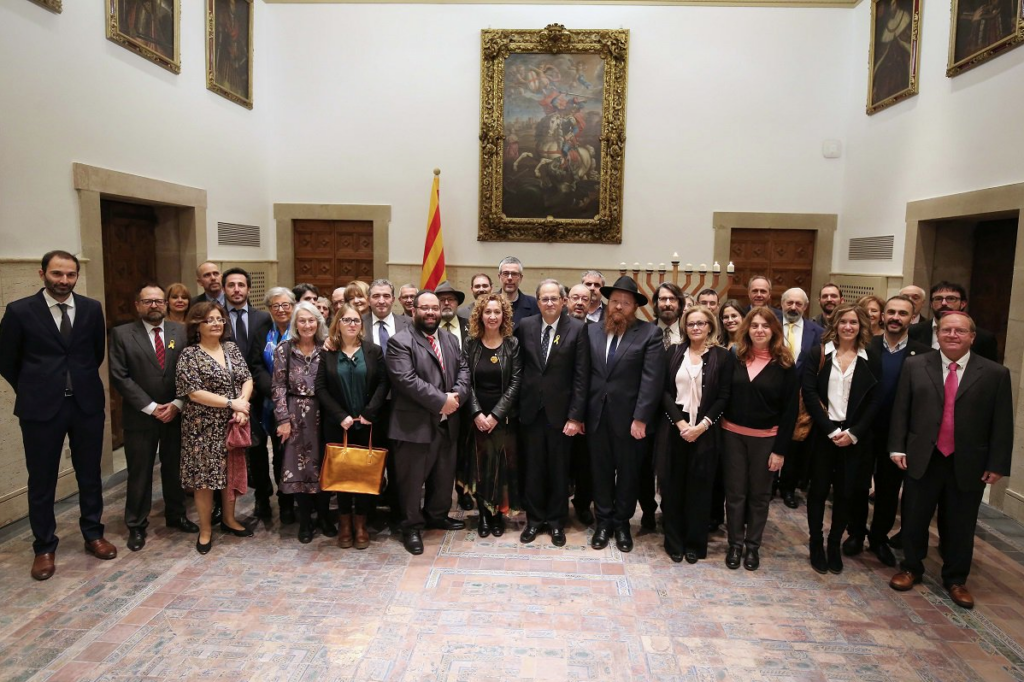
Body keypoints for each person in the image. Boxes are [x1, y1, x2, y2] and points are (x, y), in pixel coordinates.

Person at [0, 250, 116, 580]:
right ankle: (44, 547)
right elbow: (6, 359)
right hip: (40, 408)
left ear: (77, 276)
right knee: (42, 479)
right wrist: (34, 386)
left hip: (85, 405)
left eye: (69, 275)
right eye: (56, 274)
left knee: (90, 474)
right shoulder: (20, 311)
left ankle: (93, 534)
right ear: (42, 274)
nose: (63, 281)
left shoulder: (92, 309)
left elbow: (95, 353)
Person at [888, 312, 1013, 609]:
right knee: (915, 516)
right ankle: (910, 568)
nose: (952, 335)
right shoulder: (915, 365)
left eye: (960, 331)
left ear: (972, 336)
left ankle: (956, 579)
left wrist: (997, 464)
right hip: (923, 456)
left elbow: (1002, 423)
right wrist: (897, 447)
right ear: (938, 334)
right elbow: (901, 410)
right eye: (946, 330)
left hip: (968, 460)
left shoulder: (995, 373)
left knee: (961, 523)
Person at [109, 283, 197, 552]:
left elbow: (189, 370)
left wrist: (177, 403)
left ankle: (176, 515)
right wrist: (150, 407)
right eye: (148, 301)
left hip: (175, 413)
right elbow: (119, 376)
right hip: (140, 417)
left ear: (166, 304)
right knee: (140, 472)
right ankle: (136, 524)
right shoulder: (122, 334)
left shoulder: (180, 332)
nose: (154, 305)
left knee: (173, 468)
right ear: (138, 305)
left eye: (159, 301)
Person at [845, 295, 932, 567]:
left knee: (888, 489)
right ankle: (856, 533)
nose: (895, 317)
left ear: (912, 316)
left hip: (898, 434)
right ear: (882, 316)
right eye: (891, 312)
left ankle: (879, 538)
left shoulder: (925, 354)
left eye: (902, 313)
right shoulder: (865, 346)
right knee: (857, 485)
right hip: (863, 429)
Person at [385, 291, 471, 555]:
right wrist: (441, 401)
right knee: (411, 481)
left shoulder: (449, 339)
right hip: (414, 424)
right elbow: (407, 380)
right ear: (414, 310)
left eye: (435, 308)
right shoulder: (399, 342)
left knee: (443, 475)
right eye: (426, 308)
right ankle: (410, 526)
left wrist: (456, 395)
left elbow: (464, 369)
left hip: (447, 421)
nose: (432, 312)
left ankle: (437, 515)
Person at [585, 276, 665, 553]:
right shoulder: (592, 331)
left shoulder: (649, 334)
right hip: (597, 417)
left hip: (631, 420)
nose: (619, 307)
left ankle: (621, 524)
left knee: (629, 474)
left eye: (626, 303)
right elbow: (585, 376)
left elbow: (652, 380)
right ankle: (603, 522)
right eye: (615, 301)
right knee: (601, 472)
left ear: (635, 307)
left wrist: (641, 418)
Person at [801, 303, 881, 575]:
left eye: (854, 323)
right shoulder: (819, 354)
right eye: (843, 322)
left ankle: (834, 543)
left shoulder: (871, 357)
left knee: (846, 493)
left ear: (862, 327)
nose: (848, 327)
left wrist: (854, 432)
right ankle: (815, 542)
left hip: (854, 437)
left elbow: (875, 400)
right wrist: (831, 430)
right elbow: (810, 394)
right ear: (834, 325)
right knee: (819, 490)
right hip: (825, 434)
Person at [720, 307, 799, 571]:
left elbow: (790, 412)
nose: (759, 330)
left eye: (765, 326)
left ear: (774, 330)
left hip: (766, 440)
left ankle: (752, 547)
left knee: (759, 495)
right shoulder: (736, 358)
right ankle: (735, 544)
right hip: (732, 436)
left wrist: (780, 451)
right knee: (734, 494)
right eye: (754, 326)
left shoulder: (786, 365)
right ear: (747, 329)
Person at [176, 302, 255, 554]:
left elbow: (247, 378)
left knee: (230, 473)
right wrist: (233, 403)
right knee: (204, 479)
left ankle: (230, 519)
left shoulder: (231, 348)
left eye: (219, 319)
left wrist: (242, 405)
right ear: (197, 325)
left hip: (232, 422)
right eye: (209, 319)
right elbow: (194, 392)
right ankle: (206, 529)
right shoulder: (190, 354)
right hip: (201, 426)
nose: (216, 323)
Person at [657, 305, 733, 564]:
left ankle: (694, 544)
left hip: (706, 431)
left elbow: (724, 396)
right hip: (674, 428)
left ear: (710, 326)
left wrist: (702, 426)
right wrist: (680, 424)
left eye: (701, 323)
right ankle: (674, 542)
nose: (696, 328)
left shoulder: (722, 357)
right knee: (673, 488)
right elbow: (664, 393)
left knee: (700, 490)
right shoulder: (673, 353)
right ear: (684, 327)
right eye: (691, 324)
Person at [516, 280, 588, 546]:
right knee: (533, 469)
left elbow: (581, 377)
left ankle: (557, 522)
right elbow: (520, 368)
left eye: (554, 298)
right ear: (538, 302)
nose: (549, 303)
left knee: (559, 471)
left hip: (562, 415)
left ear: (563, 301)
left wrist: (575, 416)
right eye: (544, 299)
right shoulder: (526, 326)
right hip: (531, 411)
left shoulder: (578, 329)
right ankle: (534, 520)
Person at [316, 303, 390, 549]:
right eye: (346, 320)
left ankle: (361, 524)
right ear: (337, 323)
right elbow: (321, 388)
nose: (351, 324)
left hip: (368, 426)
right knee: (343, 477)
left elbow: (383, 383)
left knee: (365, 477)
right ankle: (345, 523)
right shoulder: (327, 352)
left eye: (356, 320)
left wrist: (369, 412)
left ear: (362, 325)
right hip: (339, 426)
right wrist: (340, 416)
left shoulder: (373, 351)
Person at [462, 293, 523, 537]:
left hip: (504, 419)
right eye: (488, 312)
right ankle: (484, 517)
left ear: (504, 315)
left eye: (497, 312)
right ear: (480, 315)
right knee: (481, 469)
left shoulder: (512, 344)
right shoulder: (470, 344)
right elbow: (465, 381)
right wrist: (477, 412)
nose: (492, 316)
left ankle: (498, 515)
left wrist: (495, 415)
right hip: (476, 419)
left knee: (502, 469)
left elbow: (516, 382)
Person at [272, 302, 331, 543]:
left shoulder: (327, 348)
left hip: (324, 412)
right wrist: (283, 419)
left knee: (325, 465)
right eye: (302, 320)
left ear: (318, 322)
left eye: (311, 320)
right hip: (295, 414)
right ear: (295, 324)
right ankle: (305, 521)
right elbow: (277, 387)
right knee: (299, 467)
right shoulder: (284, 349)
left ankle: (325, 517)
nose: (307, 325)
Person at [223, 269, 274, 521]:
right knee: (224, 452)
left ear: (248, 288)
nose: (236, 289)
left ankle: (263, 497)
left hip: (256, 395)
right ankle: (221, 504)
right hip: (222, 397)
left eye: (241, 285)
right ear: (224, 289)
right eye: (231, 285)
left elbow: (263, 358)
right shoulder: (216, 317)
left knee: (257, 449)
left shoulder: (262, 318)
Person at [250, 287, 298, 525]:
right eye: (275, 306)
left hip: (295, 402)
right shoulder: (261, 331)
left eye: (285, 305)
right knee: (258, 451)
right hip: (265, 402)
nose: (281, 310)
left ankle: (286, 500)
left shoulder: (302, 329)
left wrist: (286, 392)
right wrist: (274, 390)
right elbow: (256, 364)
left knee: (284, 454)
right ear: (269, 309)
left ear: (293, 306)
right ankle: (262, 497)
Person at [777, 287, 825, 510]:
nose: (793, 307)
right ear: (782, 303)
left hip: (800, 397)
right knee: (770, 439)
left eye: (798, 303)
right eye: (789, 303)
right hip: (771, 391)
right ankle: (768, 486)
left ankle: (788, 487)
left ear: (805, 307)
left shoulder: (817, 332)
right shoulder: (770, 325)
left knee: (793, 443)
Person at [909, 281, 999, 361]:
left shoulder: (984, 338)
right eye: (938, 299)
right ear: (931, 304)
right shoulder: (913, 331)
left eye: (951, 298)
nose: (944, 303)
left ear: (963, 304)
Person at [566, 283, 596, 524]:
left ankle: (583, 504)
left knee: (586, 463)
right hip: (559, 408)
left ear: (591, 303)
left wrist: (583, 413)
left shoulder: (598, 330)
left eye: (584, 299)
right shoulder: (557, 327)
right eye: (575, 297)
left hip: (589, 410)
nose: (579, 302)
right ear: (567, 300)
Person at [498, 256, 539, 326]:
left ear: (520, 278)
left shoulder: (534, 304)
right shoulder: (489, 302)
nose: (510, 278)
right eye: (506, 274)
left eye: (514, 274)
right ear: (499, 277)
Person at [435, 281, 470, 347]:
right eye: (442, 300)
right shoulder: (430, 327)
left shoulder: (470, 326)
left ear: (457, 303)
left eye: (450, 299)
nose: (446, 303)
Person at [653, 282, 684, 348]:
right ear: (656, 303)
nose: (667, 304)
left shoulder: (688, 331)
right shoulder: (645, 332)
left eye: (672, 299)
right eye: (663, 299)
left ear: (680, 304)